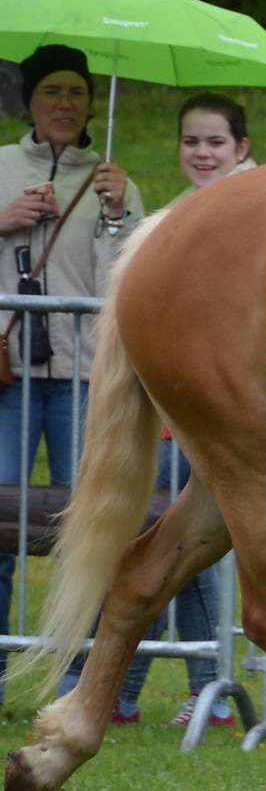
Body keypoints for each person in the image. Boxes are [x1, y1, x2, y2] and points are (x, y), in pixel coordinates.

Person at [57, 93, 254, 725]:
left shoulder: (243, 215)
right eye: (192, 142)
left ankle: (167, 687)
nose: (202, 152)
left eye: (215, 142)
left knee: (176, 548)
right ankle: (131, 691)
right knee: (164, 545)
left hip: (206, 409)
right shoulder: (188, 213)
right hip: (178, 402)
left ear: (241, 150)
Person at [0, 44, 142, 706]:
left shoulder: (118, 181)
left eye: (76, 92)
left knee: (93, 528)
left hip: (89, 381)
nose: (64, 104)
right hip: (8, 380)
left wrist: (115, 214)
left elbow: (137, 278)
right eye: (51, 91)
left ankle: (91, 685)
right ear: (29, 100)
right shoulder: (0, 168)